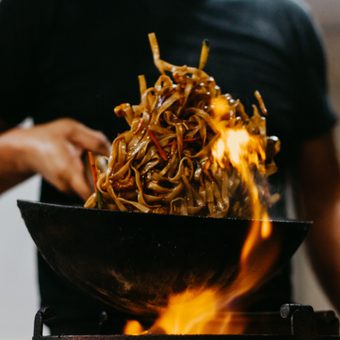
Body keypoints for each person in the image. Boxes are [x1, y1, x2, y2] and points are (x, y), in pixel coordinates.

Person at [0, 0, 339, 335]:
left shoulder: (284, 21)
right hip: (94, 326)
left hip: (256, 325)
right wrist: (22, 148)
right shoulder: (41, 10)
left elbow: (327, 202)